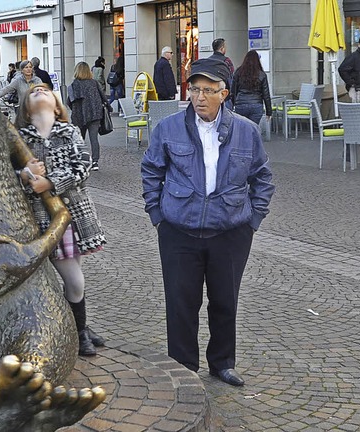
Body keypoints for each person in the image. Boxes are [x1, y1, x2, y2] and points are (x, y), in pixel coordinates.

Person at [141, 58, 275, 387]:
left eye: (208, 90)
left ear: (224, 93)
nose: (200, 96)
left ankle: (222, 363)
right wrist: (157, 214)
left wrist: (252, 221)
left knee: (225, 300)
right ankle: (183, 366)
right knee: (181, 301)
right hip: (178, 230)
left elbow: (263, 179)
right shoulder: (168, 128)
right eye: (195, 89)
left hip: (230, 231)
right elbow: (151, 171)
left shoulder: (246, 131)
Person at [14, 83, 106, 356]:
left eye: (45, 89)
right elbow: (9, 174)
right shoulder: (21, 139)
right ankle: (77, 332)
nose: (39, 90)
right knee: (75, 280)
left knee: (75, 276)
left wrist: (51, 182)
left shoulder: (70, 132)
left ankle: (80, 324)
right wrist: (25, 175)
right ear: (27, 111)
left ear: (56, 105)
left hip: (76, 214)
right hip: (47, 220)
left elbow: (82, 166)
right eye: (33, 91)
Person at [67, 62, 110, 171]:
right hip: (95, 115)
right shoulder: (94, 83)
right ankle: (95, 161)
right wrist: (109, 108)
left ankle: (81, 160)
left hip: (79, 115)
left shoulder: (74, 84)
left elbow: (69, 101)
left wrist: (75, 109)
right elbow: (103, 97)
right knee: (94, 139)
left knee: (79, 140)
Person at [231, 50, 272, 126]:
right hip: (256, 105)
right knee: (253, 130)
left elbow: (233, 91)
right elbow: (266, 95)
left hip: (241, 105)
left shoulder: (238, 72)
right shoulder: (262, 75)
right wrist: (269, 111)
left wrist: (232, 105)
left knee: (242, 130)